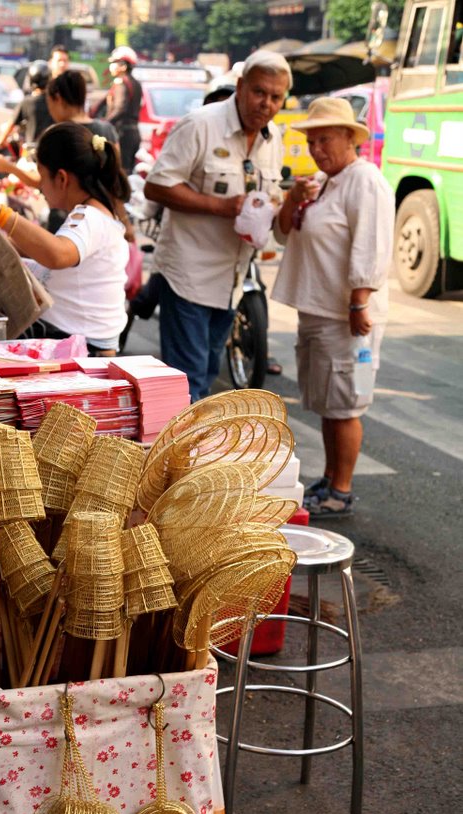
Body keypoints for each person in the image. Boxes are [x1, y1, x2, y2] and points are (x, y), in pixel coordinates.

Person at [272, 96, 395, 518]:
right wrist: (292, 199)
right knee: (327, 401)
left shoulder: (364, 180)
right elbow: (284, 233)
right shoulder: (327, 181)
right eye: (311, 142)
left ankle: (339, 491)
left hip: (346, 316)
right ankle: (330, 479)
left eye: (325, 140)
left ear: (349, 137)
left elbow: (371, 244)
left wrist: (360, 300)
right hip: (319, 310)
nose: (317, 149)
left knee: (344, 404)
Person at [143, 49, 289, 402]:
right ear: (240, 87)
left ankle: (189, 454)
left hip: (233, 280)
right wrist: (220, 206)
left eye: (276, 97)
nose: (266, 103)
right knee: (189, 384)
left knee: (206, 375)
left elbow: (270, 197)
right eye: (259, 92)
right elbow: (157, 185)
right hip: (188, 276)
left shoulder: (274, 140)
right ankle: (182, 457)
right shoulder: (201, 125)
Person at [0, 122, 130, 356]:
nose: (40, 187)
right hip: (72, 337)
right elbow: (46, 250)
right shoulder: (92, 213)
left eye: (42, 177)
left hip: (82, 348)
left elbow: (57, 254)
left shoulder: (89, 217)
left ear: (62, 179)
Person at [0, 59, 52, 152]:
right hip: (52, 153)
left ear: (31, 79)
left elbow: (9, 128)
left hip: (31, 154)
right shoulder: (56, 102)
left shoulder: (26, 102)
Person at [105, 45, 142, 173]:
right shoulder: (136, 83)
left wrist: (105, 123)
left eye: (114, 63)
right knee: (128, 171)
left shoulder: (121, 82)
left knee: (120, 172)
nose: (111, 66)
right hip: (133, 133)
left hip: (122, 134)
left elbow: (120, 108)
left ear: (124, 66)